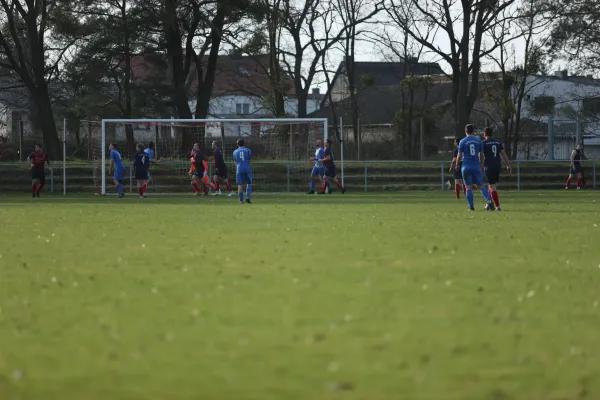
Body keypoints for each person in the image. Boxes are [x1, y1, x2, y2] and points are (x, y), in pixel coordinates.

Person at [456, 124, 493, 211]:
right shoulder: (478, 141)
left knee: (468, 187)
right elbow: (481, 154)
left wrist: (457, 164)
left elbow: (459, 154)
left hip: (466, 166)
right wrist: (481, 163)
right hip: (476, 166)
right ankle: (489, 200)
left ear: (466, 131)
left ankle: (471, 207)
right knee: (481, 186)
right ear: (473, 131)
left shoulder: (462, 141)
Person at [482, 127, 512, 210]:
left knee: (492, 186)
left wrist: (480, 164)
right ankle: (488, 203)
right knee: (490, 185)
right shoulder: (498, 142)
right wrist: (508, 164)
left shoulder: (483, 143)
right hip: (497, 165)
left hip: (489, 166)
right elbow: (503, 154)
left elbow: (480, 155)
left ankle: (497, 206)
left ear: (484, 134)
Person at [233, 139, 253, 204]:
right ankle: (247, 197)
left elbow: (235, 162)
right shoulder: (248, 150)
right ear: (244, 143)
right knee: (249, 183)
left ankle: (241, 200)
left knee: (240, 184)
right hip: (247, 168)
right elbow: (249, 160)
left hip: (239, 169)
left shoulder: (235, 152)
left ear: (237, 144)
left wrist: (237, 168)